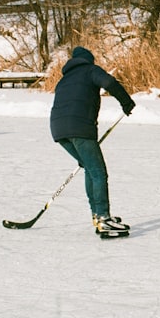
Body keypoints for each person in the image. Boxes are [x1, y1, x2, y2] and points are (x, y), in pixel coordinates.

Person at [50, 46, 136, 237]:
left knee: (90, 168)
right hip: (79, 129)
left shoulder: (63, 79)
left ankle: (97, 215)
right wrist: (126, 101)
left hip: (58, 131)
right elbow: (109, 82)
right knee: (98, 172)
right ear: (89, 60)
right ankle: (103, 218)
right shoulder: (89, 70)